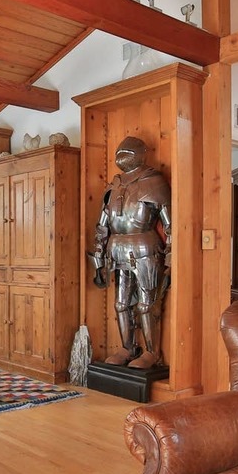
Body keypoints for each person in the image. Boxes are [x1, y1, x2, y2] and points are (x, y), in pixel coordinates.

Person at [88, 136, 171, 369]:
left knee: (147, 304)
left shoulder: (153, 181)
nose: (122, 154)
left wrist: (172, 257)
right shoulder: (114, 185)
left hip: (145, 248)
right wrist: (98, 259)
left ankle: (152, 352)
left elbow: (170, 225)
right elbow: (102, 226)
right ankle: (128, 347)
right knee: (121, 304)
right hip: (117, 249)